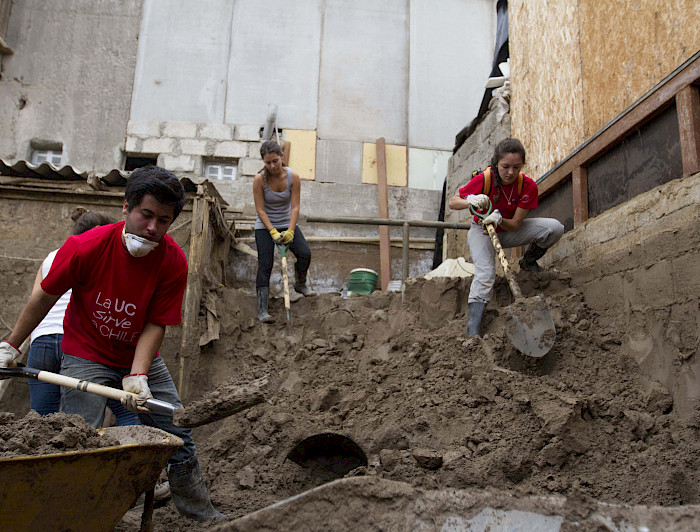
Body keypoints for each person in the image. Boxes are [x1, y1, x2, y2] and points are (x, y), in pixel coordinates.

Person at [0, 166, 223, 521]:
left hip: (137, 353)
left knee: (178, 432)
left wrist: (139, 373)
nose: (152, 228)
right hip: (86, 351)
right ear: (126, 207)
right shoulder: (86, 247)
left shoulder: (173, 262)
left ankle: (202, 518)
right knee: (78, 438)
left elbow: (155, 323)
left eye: (163, 221)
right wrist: (11, 344)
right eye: (145, 215)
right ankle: (73, 516)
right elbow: (44, 297)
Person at [27, 207, 138, 426]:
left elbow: (38, 299)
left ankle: (41, 460)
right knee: (126, 409)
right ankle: (133, 456)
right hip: (81, 344)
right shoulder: (106, 258)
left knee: (40, 420)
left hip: (43, 341)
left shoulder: (51, 257)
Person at [448, 138, 564, 337]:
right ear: (496, 164)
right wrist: (470, 200)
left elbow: (517, 223)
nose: (511, 172)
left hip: (508, 230)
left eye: (516, 167)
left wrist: (499, 218)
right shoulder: (484, 179)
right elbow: (453, 202)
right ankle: (473, 333)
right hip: (481, 231)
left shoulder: (526, 186)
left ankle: (528, 263)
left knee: (554, 228)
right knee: (485, 275)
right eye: (505, 166)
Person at [253, 139, 313, 322]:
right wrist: (272, 231)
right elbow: (260, 210)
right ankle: (262, 309)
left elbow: (295, 207)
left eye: (275, 161)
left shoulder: (292, 177)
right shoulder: (259, 180)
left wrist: (291, 231)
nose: (272, 166)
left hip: (287, 223)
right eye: (267, 163)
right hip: (265, 226)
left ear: (282, 157)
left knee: (305, 253)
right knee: (266, 263)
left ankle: (300, 284)